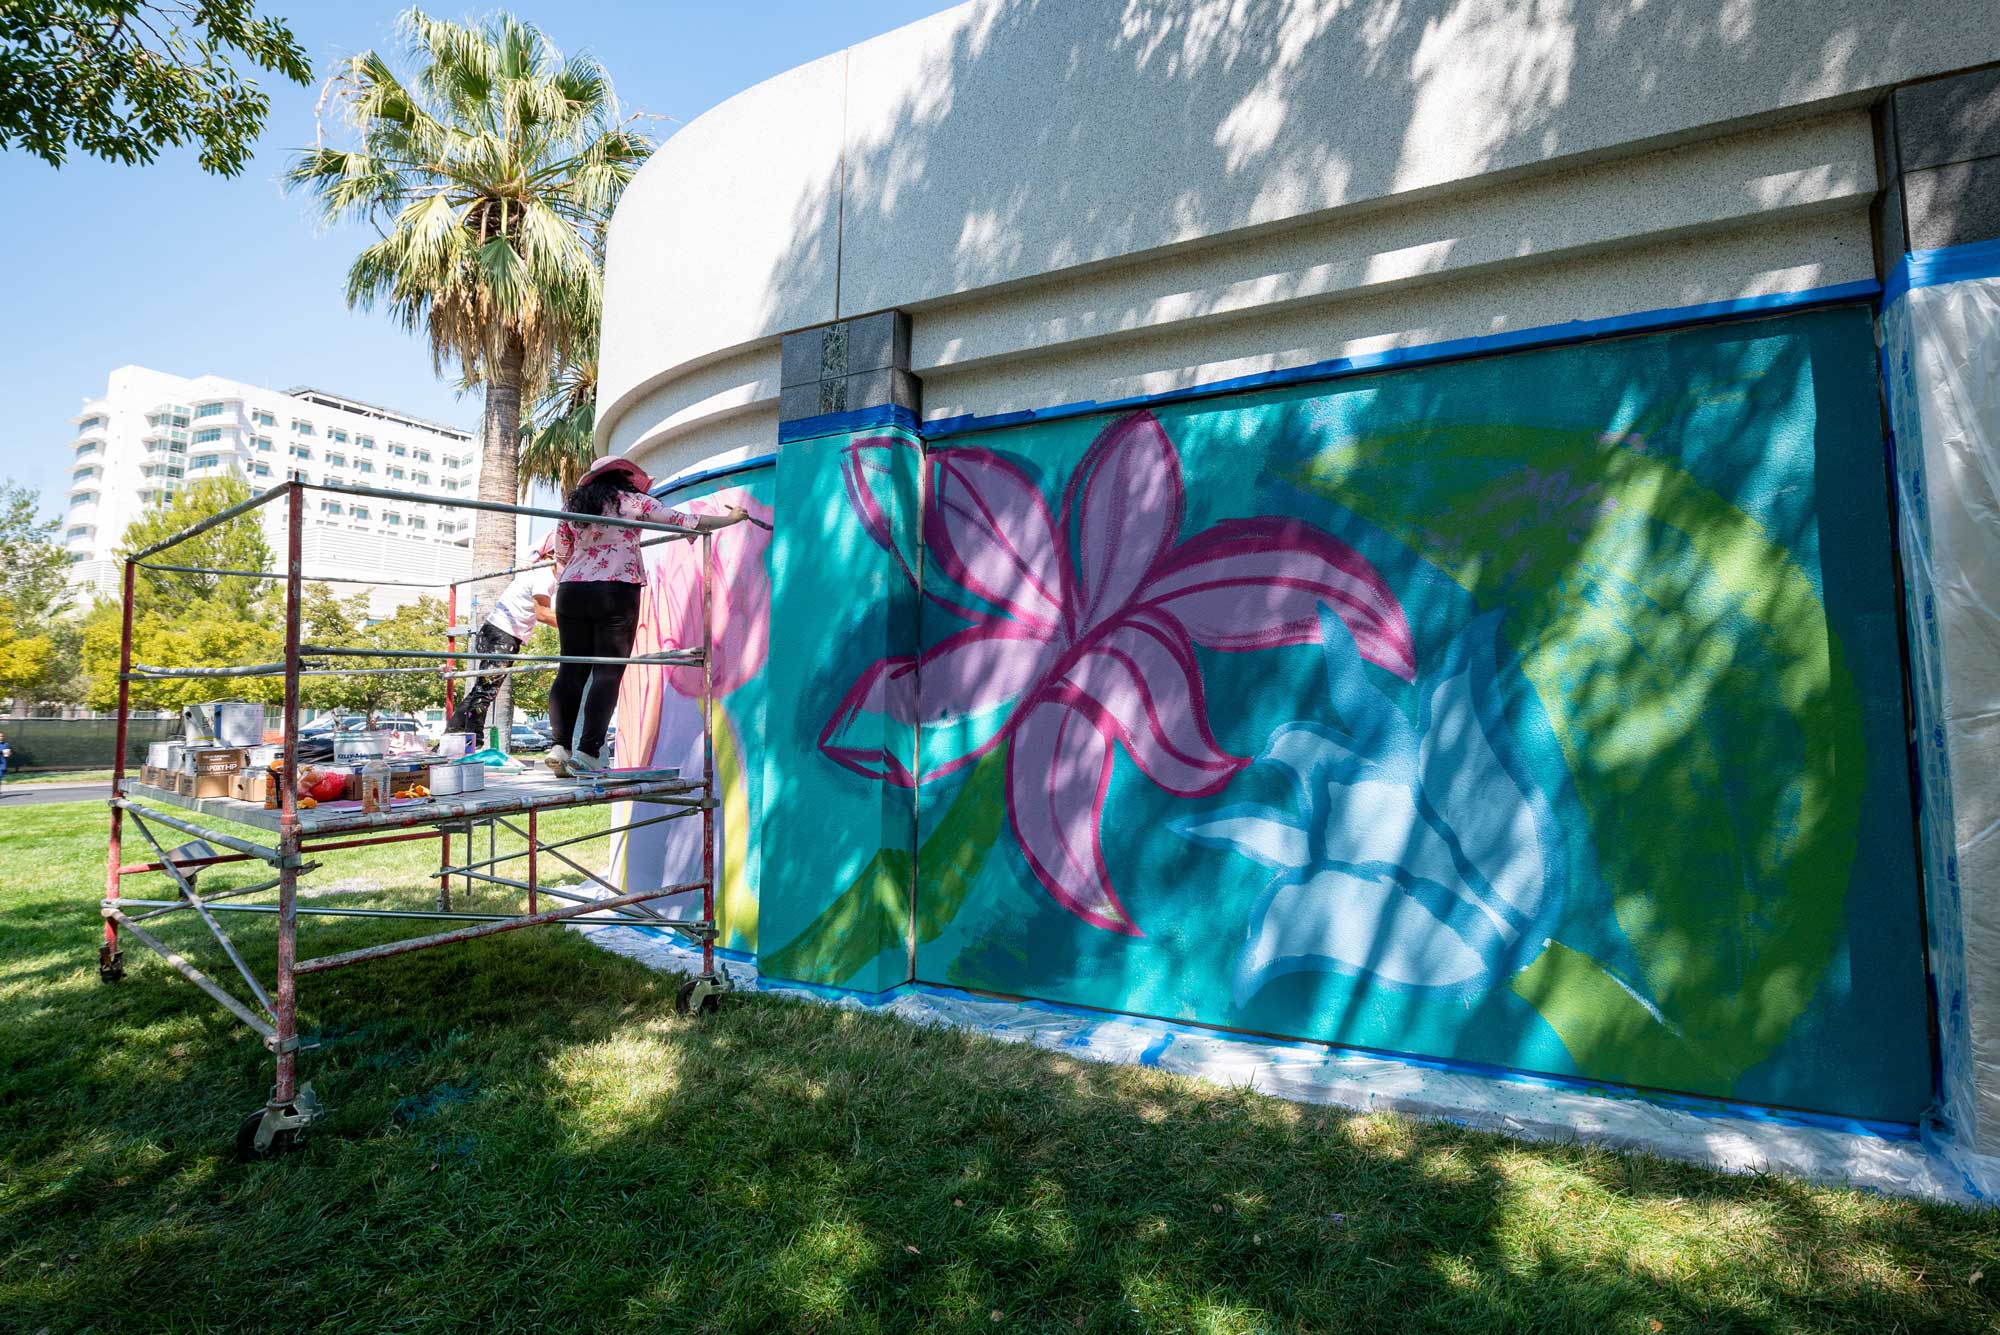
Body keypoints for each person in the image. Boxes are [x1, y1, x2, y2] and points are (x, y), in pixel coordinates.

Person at [544, 457, 749, 776]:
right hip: (616, 588)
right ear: (624, 477)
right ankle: (587, 752)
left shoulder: (573, 507)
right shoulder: (633, 501)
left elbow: (561, 554)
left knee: (571, 669)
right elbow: (685, 520)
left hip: (572, 589)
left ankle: (559, 746)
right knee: (607, 671)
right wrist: (732, 518)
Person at [449, 536, 560, 741]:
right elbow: (543, 613)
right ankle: (473, 738)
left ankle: (453, 736)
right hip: (502, 635)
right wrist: (576, 624)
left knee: (482, 689)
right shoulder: (545, 575)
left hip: (496, 632)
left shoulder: (541, 572)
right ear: (555, 552)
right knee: (486, 690)